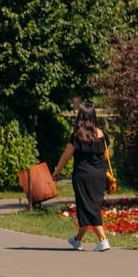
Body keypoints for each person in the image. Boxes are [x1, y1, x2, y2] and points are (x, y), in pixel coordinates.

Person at [53, 104, 113, 251]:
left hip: (82, 175)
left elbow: (66, 156)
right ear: (93, 116)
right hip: (99, 175)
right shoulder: (102, 134)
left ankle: (103, 240)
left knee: (88, 206)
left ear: (80, 117)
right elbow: (106, 156)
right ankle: (77, 240)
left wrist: (57, 171)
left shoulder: (77, 136)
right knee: (88, 206)